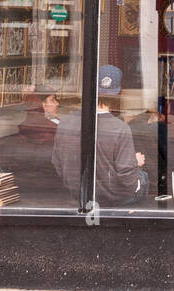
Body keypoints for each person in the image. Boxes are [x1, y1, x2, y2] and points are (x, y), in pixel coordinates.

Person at [52, 65, 148, 206]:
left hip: (78, 195)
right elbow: (127, 180)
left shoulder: (65, 122)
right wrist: (136, 164)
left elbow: (57, 163)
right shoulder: (120, 128)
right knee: (143, 177)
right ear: (118, 93)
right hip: (110, 198)